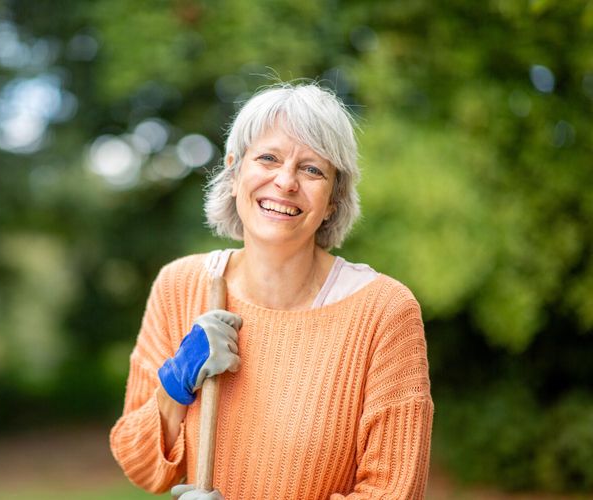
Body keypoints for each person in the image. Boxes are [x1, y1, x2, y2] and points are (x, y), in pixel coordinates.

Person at [110, 82, 433, 499]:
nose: (285, 182)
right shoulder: (180, 286)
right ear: (234, 171)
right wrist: (176, 383)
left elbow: (393, 492)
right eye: (268, 158)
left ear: (333, 198)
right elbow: (140, 465)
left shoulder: (384, 311)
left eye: (312, 169)